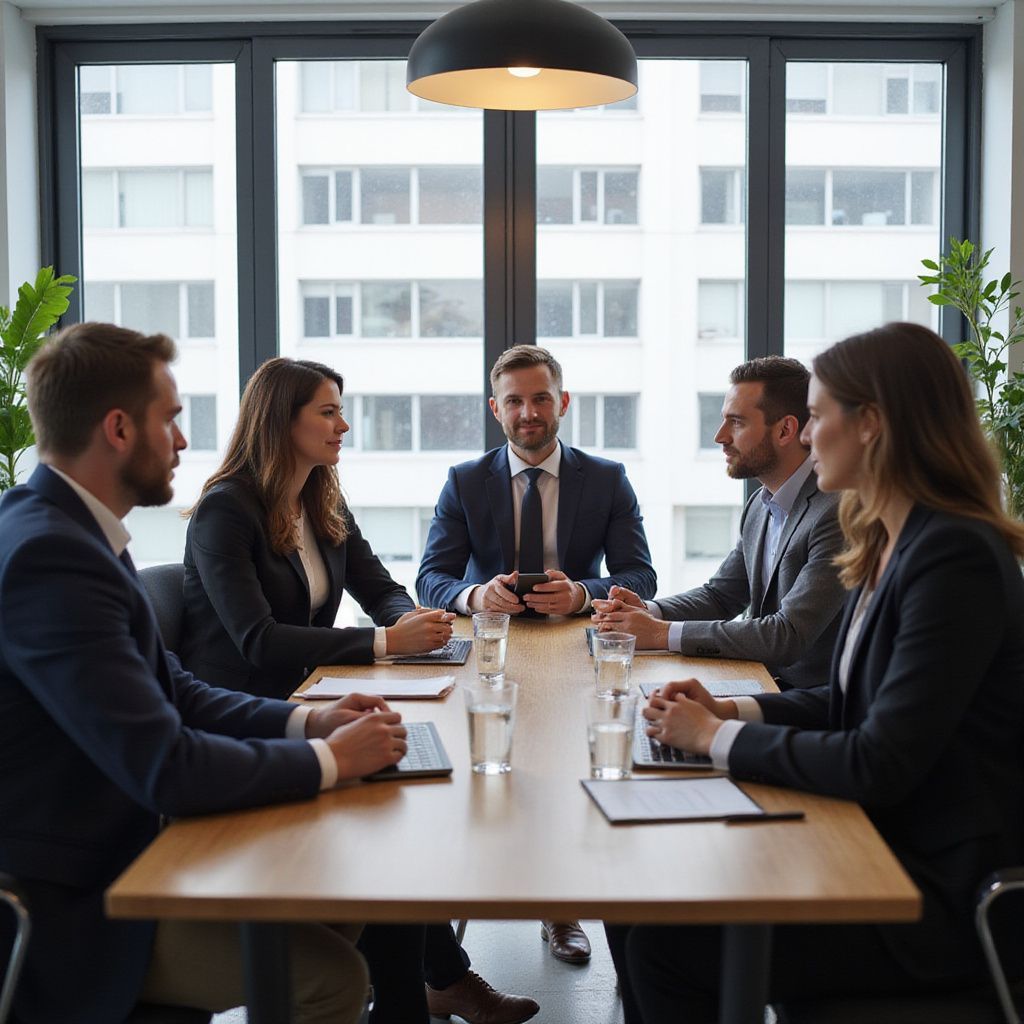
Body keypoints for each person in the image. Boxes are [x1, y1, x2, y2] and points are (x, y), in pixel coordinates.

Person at [606, 322, 1024, 1023]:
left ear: (873, 425)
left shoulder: (955, 558)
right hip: (883, 843)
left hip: (934, 890)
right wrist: (731, 713)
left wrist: (713, 739)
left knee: (663, 944)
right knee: (637, 899)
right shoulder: (893, 539)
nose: (807, 435)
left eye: (821, 415)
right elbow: (855, 699)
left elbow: (878, 759)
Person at [0, 323, 411, 1024]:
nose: (185, 442)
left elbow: (173, 684)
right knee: (330, 978)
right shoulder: (53, 557)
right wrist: (329, 761)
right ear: (120, 429)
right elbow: (168, 767)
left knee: (342, 904)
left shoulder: (71, 529)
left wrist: (307, 718)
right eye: (173, 419)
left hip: (130, 844)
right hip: (78, 897)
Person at [181, 356, 538, 1024]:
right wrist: (383, 645)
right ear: (281, 421)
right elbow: (258, 640)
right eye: (327, 411)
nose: (344, 424)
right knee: (396, 806)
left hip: (317, 695)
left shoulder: (320, 494)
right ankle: (418, 995)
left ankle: (427, 986)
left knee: (410, 784)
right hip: (252, 713)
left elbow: (377, 584)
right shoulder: (225, 510)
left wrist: (410, 620)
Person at [416, 343, 657, 963]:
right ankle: (449, 889)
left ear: (563, 403)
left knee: (566, 764)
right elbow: (431, 579)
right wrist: (476, 595)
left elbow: (641, 574)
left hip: (573, 648)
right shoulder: (465, 480)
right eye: (515, 401)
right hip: (489, 650)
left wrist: (581, 594)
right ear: (496, 409)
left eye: (541, 398)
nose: (529, 412)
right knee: (481, 763)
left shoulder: (605, 478)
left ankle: (563, 903)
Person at [592, 356, 846, 690]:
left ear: (785, 430)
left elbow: (787, 635)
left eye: (736, 423)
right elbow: (722, 596)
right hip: (759, 682)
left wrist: (659, 633)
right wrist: (649, 611)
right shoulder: (760, 504)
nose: (719, 436)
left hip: (814, 705)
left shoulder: (836, 511)